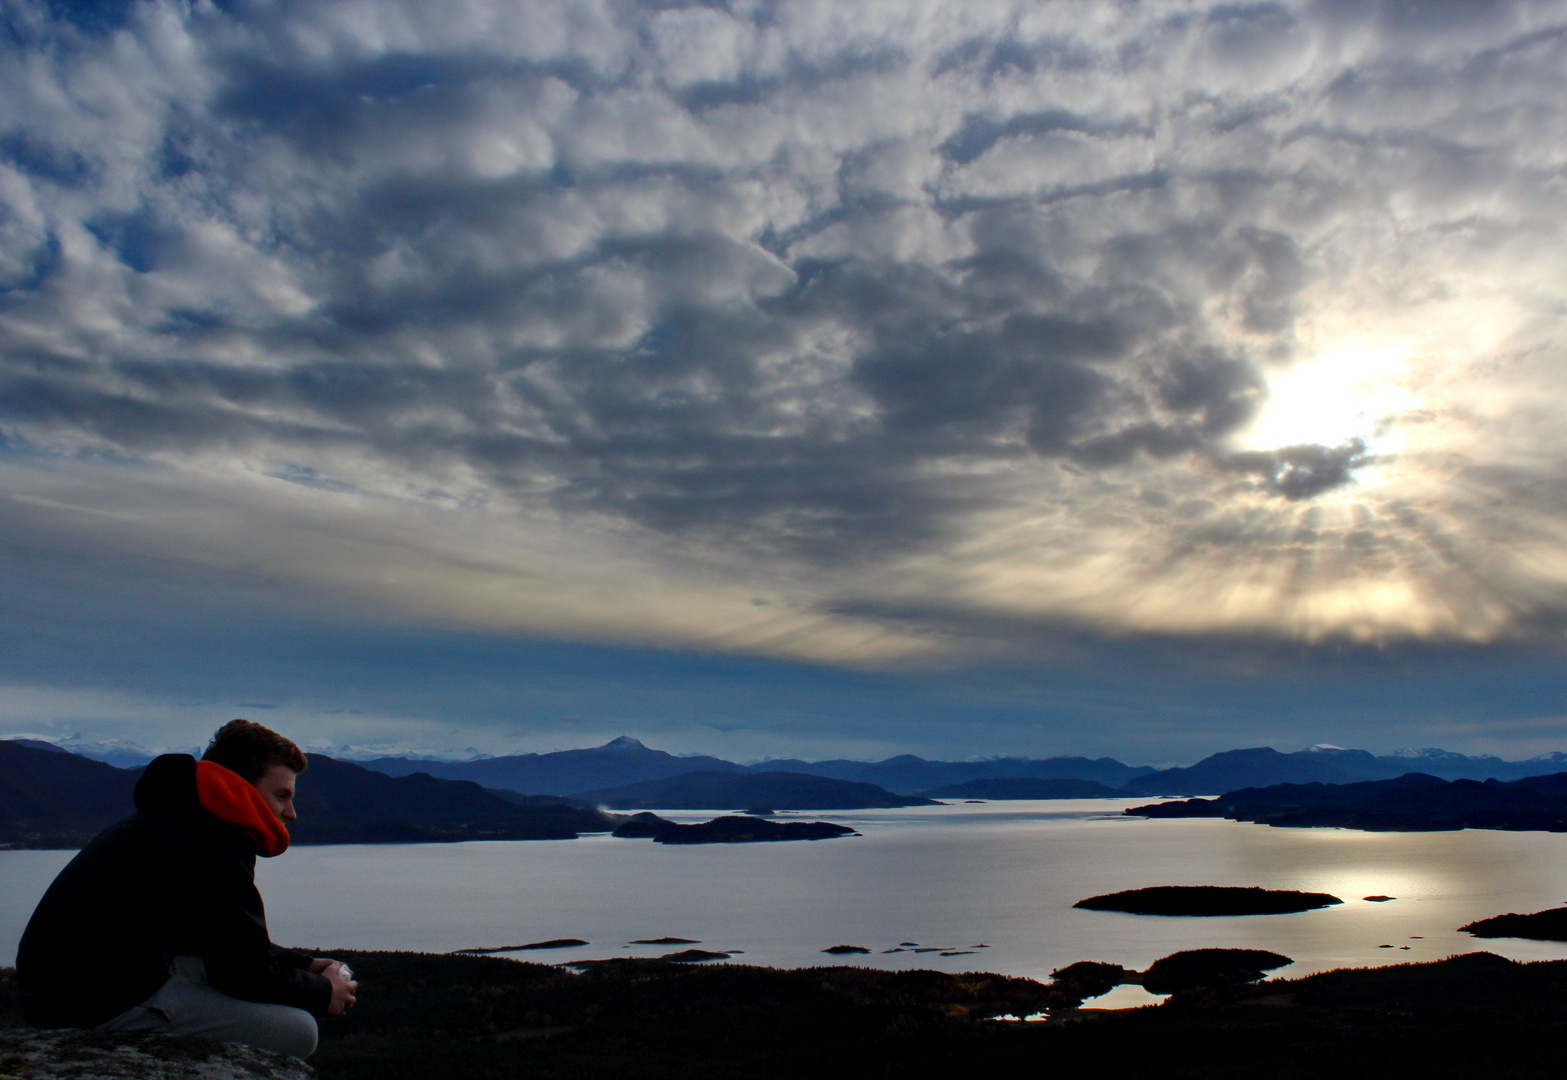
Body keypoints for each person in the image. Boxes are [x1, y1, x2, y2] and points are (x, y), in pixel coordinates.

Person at [17, 719, 357, 1059]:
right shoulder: (212, 840)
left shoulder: (180, 819)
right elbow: (240, 973)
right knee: (299, 1031)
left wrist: (304, 964)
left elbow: (220, 939)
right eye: (282, 795)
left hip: (70, 989)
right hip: (94, 1004)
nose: (291, 813)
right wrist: (323, 993)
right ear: (243, 788)